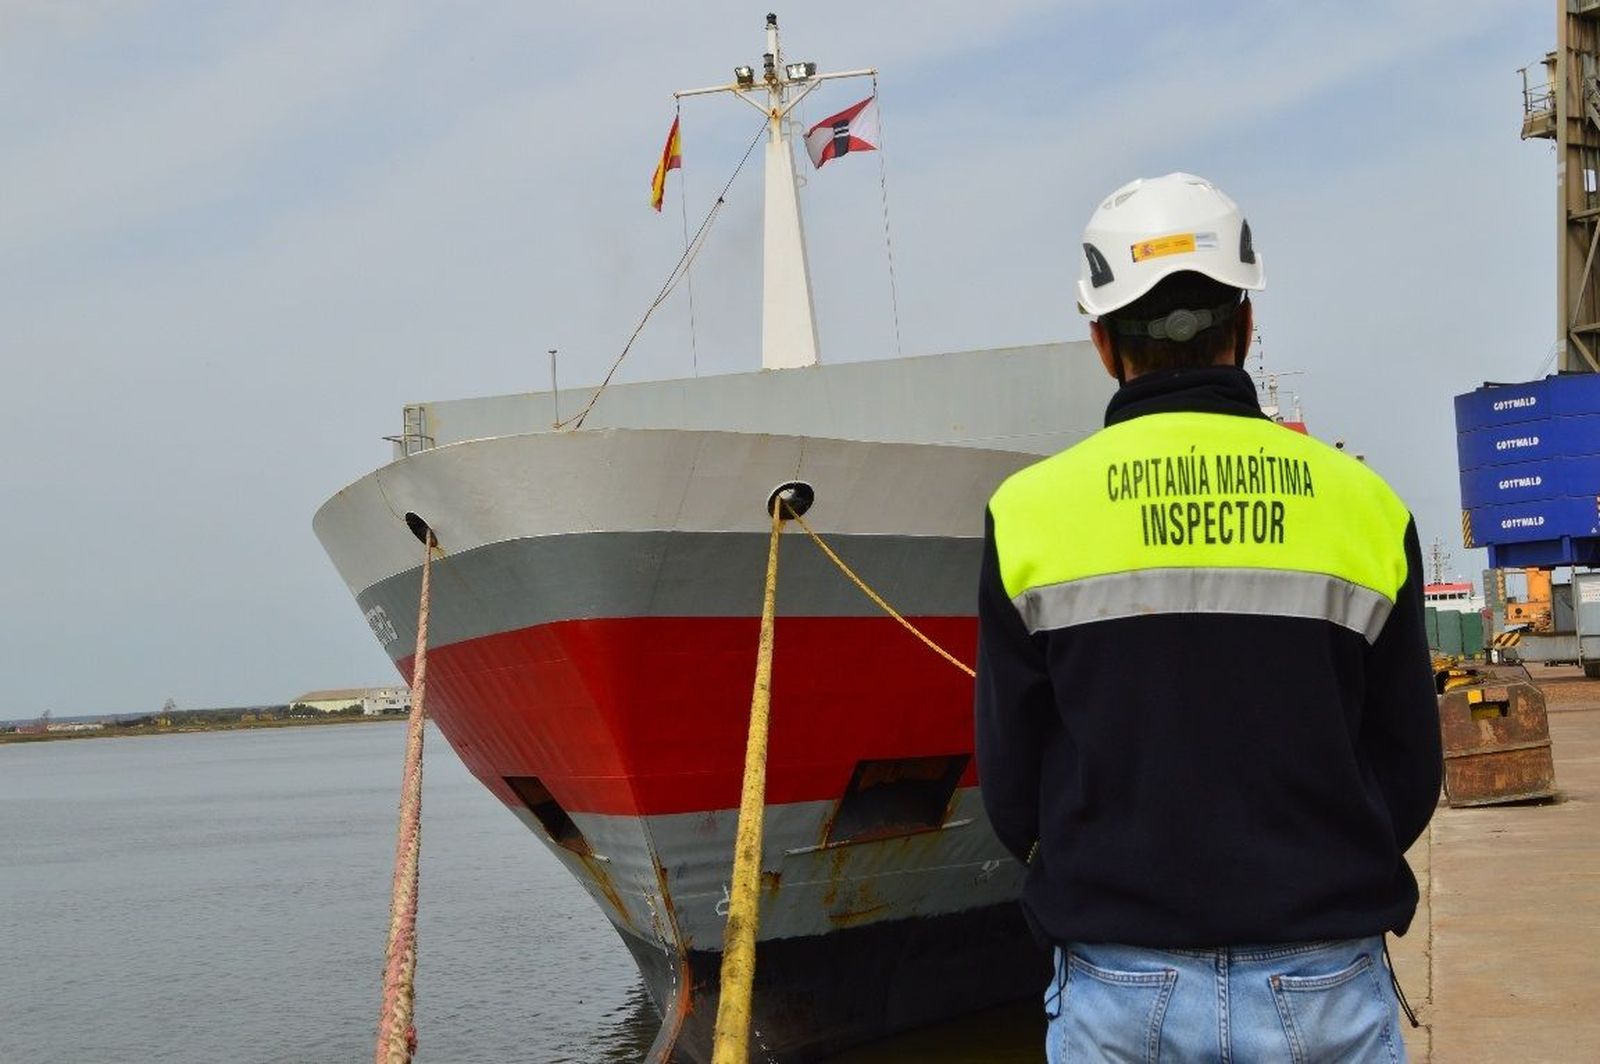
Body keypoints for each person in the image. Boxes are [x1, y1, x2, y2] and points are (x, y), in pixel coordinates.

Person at [975, 173, 1441, 1063]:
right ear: (1248, 325)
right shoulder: (1365, 505)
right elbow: (1411, 766)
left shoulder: (1028, 513)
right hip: (1325, 977)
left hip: (1119, 982)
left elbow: (1010, 786)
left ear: (1103, 342)